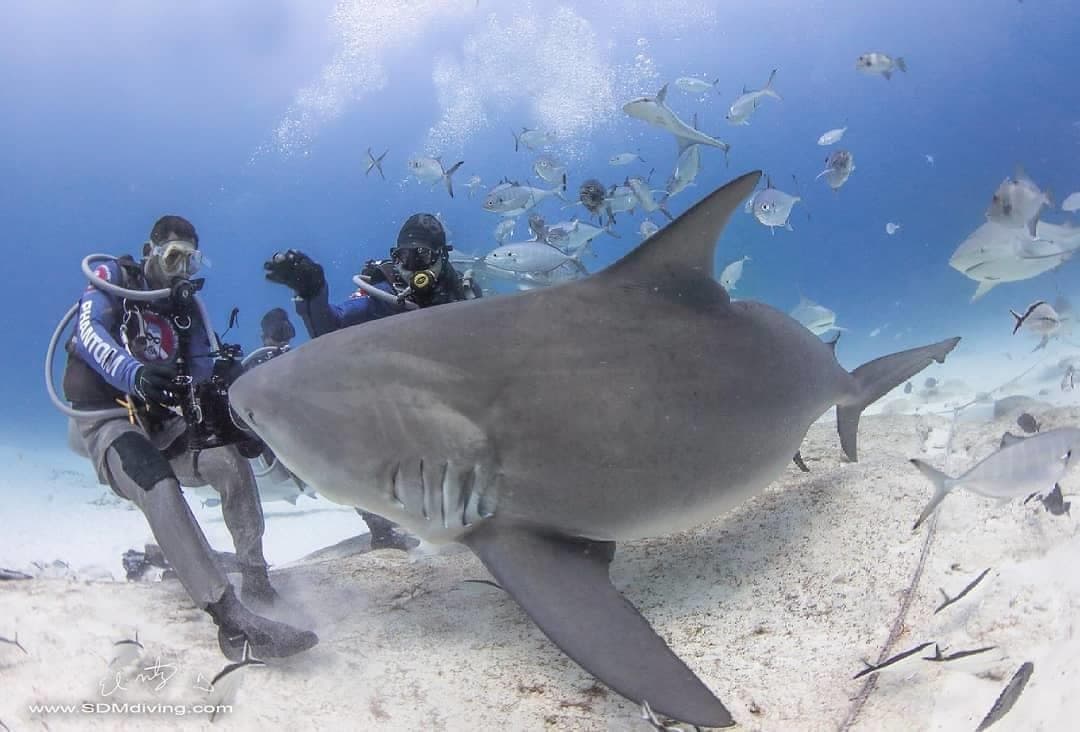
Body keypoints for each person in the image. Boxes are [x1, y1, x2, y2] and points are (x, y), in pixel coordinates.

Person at [63, 215, 318, 661]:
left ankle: (256, 577)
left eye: (191, 261)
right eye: (173, 257)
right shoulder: (113, 279)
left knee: (227, 461)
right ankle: (231, 616)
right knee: (156, 480)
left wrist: (235, 406)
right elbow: (88, 334)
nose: (182, 270)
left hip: (164, 423)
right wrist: (133, 374)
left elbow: (202, 369)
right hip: (107, 420)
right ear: (150, 252)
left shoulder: (186, 310)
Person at [263, 213, 480, 549]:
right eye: (401, 257)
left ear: (442, 257)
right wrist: (312, 290)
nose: (408, 268)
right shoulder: (382, 295)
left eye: (419, 257)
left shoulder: (463, 298)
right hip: (389, 404)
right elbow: (329, 329)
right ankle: (382, 528)